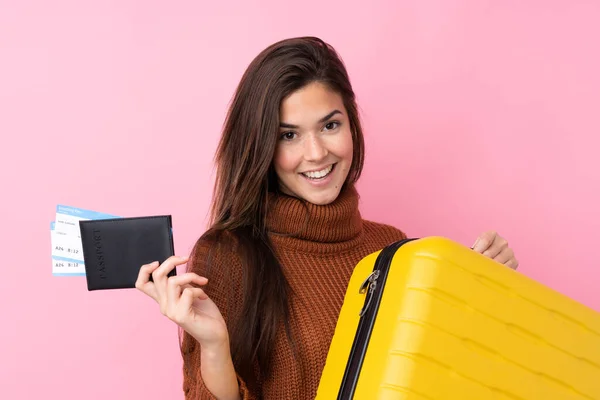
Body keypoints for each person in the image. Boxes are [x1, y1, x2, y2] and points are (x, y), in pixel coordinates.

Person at [135, 36, 519, 399]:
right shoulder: (227, 256)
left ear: (351, 124)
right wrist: (215, 344)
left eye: (330, 125)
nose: (316, 153)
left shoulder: (394, 247)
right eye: (289, 136)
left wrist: (484, 294)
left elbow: (435, 376)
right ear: (260, 146)